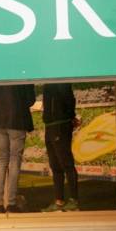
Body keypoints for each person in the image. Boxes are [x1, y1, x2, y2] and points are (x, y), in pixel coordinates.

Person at [0, 84, 36, 214]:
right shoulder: (22, 74)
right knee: (15, 160)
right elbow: (30, 99)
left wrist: (1, 103)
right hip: (17, 120)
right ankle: (11, 203)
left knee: (2, 161)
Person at [40, 84, 80, 212]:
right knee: (55, 165)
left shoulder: (61, 81)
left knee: (66, 163)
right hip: (49, 125)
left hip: (60, 125)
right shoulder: (47, 83)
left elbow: (69, 99)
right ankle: (59, 201)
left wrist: (70, 117)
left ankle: (74, 200)